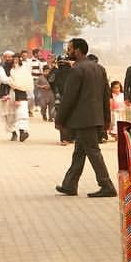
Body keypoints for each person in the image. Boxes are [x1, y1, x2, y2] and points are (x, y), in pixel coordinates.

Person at [54, 38, 116, 197]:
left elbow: (69, 98)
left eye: (70, 49)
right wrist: (106, 119)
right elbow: (105, 96)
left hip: (83, 120)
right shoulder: (99, 68)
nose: (68, 52)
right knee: (79, 152)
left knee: (93, 152)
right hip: (94, 118)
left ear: (78, 50)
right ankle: (69, 185)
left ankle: (107, 185)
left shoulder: (76, 70)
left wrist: (60, 119)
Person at [9, 54, 34, 141]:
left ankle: (22, 132)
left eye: (17, 59)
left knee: (22, 115)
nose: (15, 61)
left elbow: (26, 83)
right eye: (14, 59)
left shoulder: (24, 70)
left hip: (22, 95)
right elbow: (12, 83)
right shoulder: (11, 70)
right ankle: (15, 133)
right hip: (13, 94)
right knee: (15, 116)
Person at [0, 51, 18, 138]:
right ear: (4, 58)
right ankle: (13, 132)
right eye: (6, 57)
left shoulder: (18, 67)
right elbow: (4, 79)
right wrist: (14, 82)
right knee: (6, 114)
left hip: (18, 92)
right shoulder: (1, 68)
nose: (8, 59)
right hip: (5, 92)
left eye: (10, 57)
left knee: (17, 113)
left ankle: (19, 129)